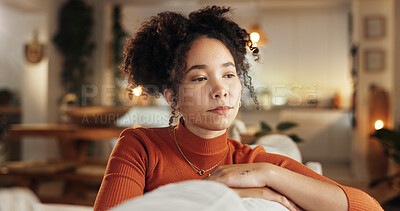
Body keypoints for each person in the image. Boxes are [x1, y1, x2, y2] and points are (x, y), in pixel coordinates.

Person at [94, 6, 382, 211]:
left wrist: (269, 176)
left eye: (229, 74)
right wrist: (222, 191)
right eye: (199, 78)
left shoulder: (254, 162)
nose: (220, 89)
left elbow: (368, 207)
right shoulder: (139, 146)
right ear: (173, 97)